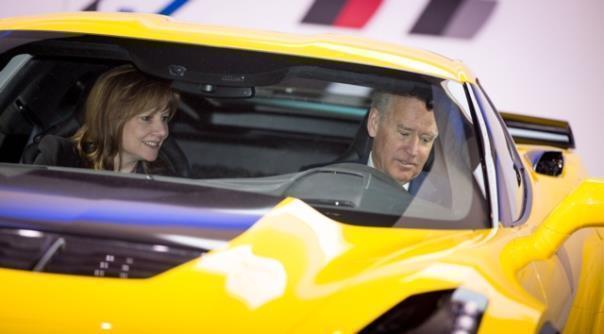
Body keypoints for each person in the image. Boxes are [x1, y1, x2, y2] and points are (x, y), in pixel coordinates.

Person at [33, 64, 180, 174]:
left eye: (164, 118)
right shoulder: (59, 159)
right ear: (111, 118)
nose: (162, 131)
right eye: (146, 118)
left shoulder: (163, 179)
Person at [366, 90, 438, 190]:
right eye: (404, 134)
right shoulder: (338, 183)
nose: (413, 151)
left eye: (425, 140)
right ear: (375, 123)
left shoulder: (446, 201)